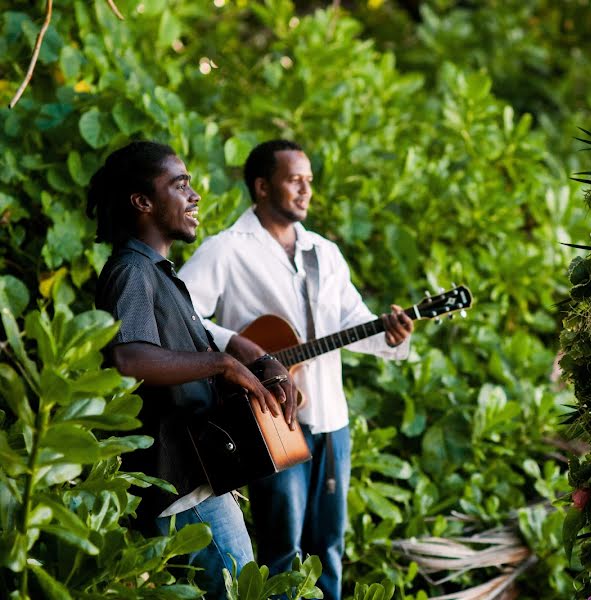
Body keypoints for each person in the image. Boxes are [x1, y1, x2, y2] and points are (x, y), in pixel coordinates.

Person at [179, 139, 414, 599]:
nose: (306, 190)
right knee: (281, 548)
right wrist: (241, 347)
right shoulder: (226, 249)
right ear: (263, 186)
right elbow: (181, 315)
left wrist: (389, 334)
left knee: (329, 545)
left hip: (331, 418)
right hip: (269, 419)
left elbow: (351, 321)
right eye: (294, 180)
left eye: (309, 180)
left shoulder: (324, 252)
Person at [89, 141, 293, 599]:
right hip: (182, 487)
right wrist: (221, 364)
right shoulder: (130, 272)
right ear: (143, 202)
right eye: (180, 186)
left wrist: (254, 359)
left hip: (196, 477)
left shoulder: (157, 272)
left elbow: (198, 340)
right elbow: (129, 358)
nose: (195, 195)